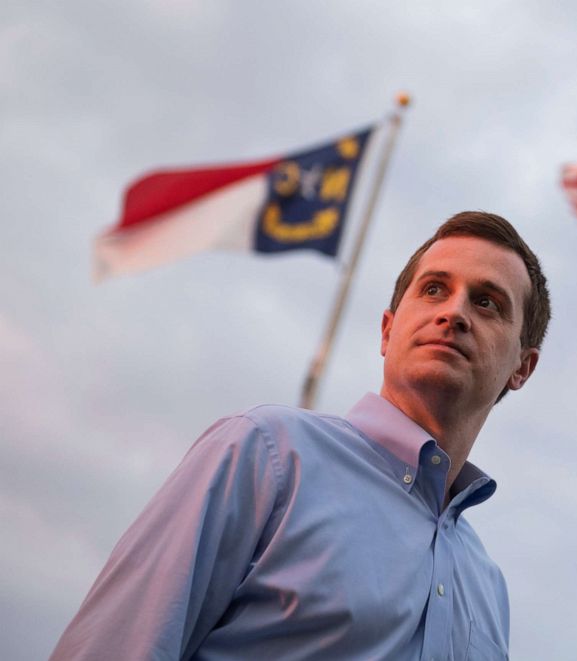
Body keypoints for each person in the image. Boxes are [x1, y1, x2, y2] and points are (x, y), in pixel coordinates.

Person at [51, 211, 551, 661]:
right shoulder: (265, 453)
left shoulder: (489, 588)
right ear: (386, 330)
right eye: (434, 289)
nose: (454, 313)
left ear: (522, 368)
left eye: (487, 302)